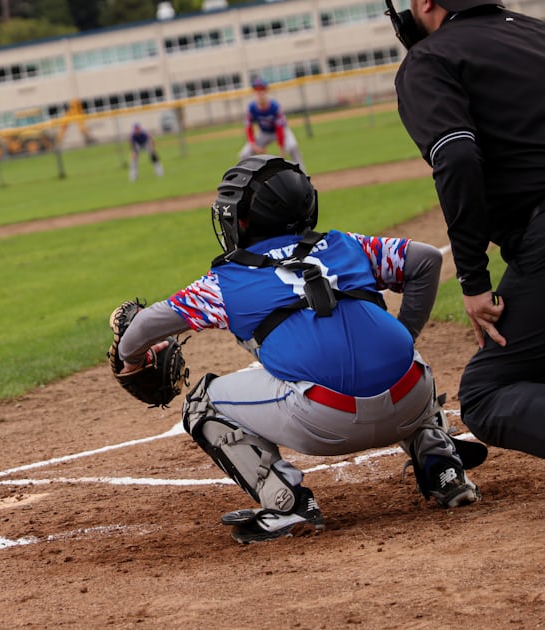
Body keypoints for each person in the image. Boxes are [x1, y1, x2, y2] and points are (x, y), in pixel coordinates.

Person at [113, 155, 482, 543]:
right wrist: (406, 333)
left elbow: (141, 329)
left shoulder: (224, 281)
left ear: (241, 222)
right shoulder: (347, 244)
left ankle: (286, 503)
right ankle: (442, 464)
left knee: (203, 402)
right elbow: (424, 260)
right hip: (411, 397)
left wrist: (130, 359)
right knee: (399, 351)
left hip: (326, 423)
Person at [390, 0, 545, 538]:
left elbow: (455, 156)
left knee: (486, 391)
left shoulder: (430, 58)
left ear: (428, 4)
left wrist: (474, 280)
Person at [238, 77, 305, 171]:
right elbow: (249, 128)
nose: (259, 93)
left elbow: (280, 128)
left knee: (292, 147)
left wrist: (281, 148)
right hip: (264, 133)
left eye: (262, 90)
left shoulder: (274, 106)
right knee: (244, 154)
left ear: (266, 91)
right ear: (254, 93)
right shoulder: (251, 108)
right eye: (257, 90)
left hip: (281, 131)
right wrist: (254, 145)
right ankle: (248, 180)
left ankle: (303, 175)